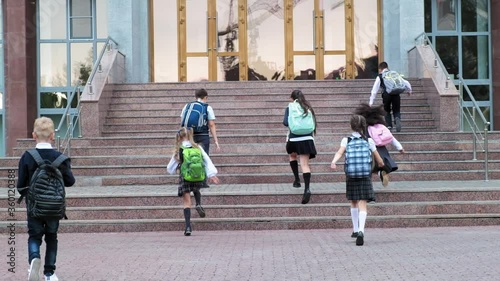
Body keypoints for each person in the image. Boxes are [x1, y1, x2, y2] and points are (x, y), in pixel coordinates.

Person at [17, 117, 76, 281]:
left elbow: (20, 186)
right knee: (51, 238)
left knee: (34, 237)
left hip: (34, 207)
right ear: (53, 136)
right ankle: (49, 273)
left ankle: (33, 260)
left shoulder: (27, 157)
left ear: (33, 135)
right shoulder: (60, 158)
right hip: (54, 208)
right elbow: (70, 182)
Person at [330, 115, 384, 246]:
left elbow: (339, 153)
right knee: (362, 203)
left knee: (353, 201)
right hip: (365, 174)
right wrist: (382, 165)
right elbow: (378, 159)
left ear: (351, 126)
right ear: (364, 126)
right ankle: (361, 230)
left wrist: (334, 162)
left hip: (351, 174)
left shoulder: (346, 140)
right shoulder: (368, 141)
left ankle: (355, 229)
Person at [167, 127, 220, 236]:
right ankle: (199, 203)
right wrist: (212, 174)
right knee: (196, 188)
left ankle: (188, 227)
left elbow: (169, 169)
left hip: (185, 177)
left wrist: (178, 166)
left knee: (186, 202)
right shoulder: (198, 147)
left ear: (179, 137)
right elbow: (207, 160)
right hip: (198, 176)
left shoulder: (179, 150)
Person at [355, 103, 405, 186]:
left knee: (369, 167)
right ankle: (380, 173)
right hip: (382, 150)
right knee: (379, 166)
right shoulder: (380, 126)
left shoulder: (364, 128)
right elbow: (391, 137)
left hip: (369, 150)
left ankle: (368, 183)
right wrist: (399, 147)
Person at [283, 90, 317, 204]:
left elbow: (285, 122)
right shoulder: (308, 107)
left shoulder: (290, 107)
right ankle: (307, 188)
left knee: (292, 156)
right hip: (307, 139)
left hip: (294, 138)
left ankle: (297, 180)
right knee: (305, 164)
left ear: (292, 98)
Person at [369, 62, 412, 132]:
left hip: (386, 95)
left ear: (380, 69)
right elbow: (405, 82)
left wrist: (371, 101)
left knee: (387, 110)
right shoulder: (394, 74)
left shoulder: (380, 76)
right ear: (387, 67)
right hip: (396, 94)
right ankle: (397, 118)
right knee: (396, 110)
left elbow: (374, 90)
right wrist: (409, 90)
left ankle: (389, 125)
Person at [180, 88, 220, 155]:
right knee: (204, 158)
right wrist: (216, 140)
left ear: (196, 97)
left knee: (189, 156)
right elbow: (211, 124)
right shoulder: (207, 107)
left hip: (189, 135)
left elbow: (182, 121)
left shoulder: (187, 106)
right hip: (203, 136)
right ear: (205, 97)